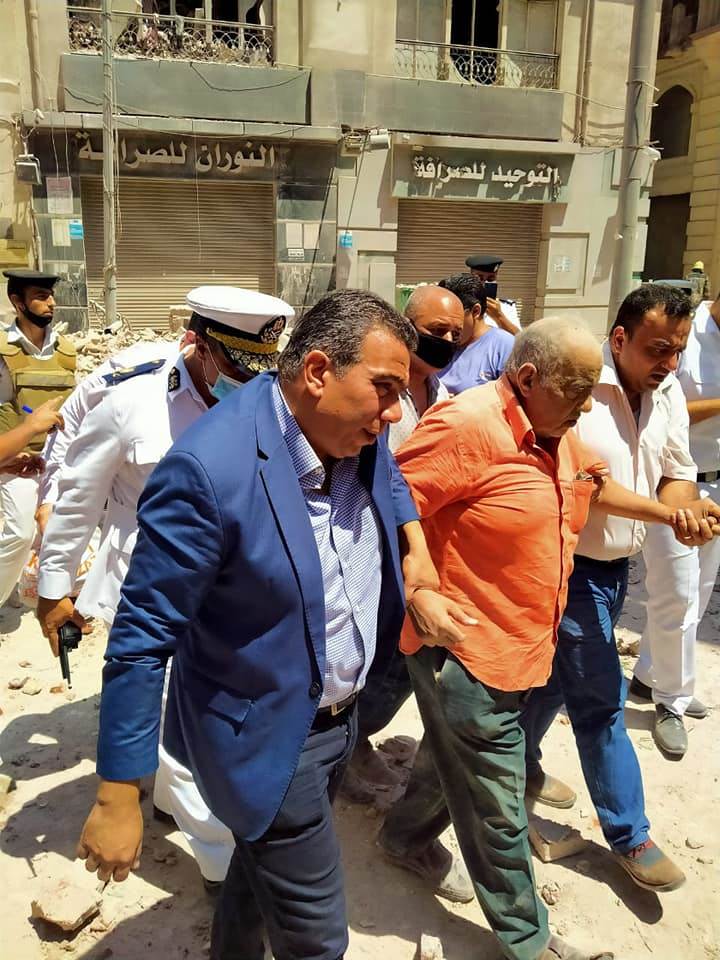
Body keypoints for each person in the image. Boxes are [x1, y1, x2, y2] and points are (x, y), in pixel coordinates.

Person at [73, 289, 465, 960]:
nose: (396, 412)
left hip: (340, 720)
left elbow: (393, 480)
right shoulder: (208, 472)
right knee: (318, 939)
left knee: (255, 880)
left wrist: (418, 558)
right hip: (270, 734)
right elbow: (140, 641)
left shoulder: (349, 429)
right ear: (316, 371)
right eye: (384, 389)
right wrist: (118, 794)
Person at [377, 315, 706, 960]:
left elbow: (594, 486)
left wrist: (671, 515)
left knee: (450, 762)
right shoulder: (467, 426)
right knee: (500, 810)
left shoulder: (555, 430)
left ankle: (402, 839)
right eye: (577, 390)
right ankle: (530, 942)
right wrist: (419, 590)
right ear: (527, 378)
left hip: (526, 644)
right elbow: (388, 502)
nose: (588, 405)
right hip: (467, 651)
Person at [37, 287, 296, 890]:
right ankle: (222, 870)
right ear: (199, 345)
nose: (246, 379)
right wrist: (54, 589)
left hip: (232, 592)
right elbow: (77, 502)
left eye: (258, 366)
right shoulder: (131, 405)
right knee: (182, 722)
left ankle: (167, 803)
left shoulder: (268, 400)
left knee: (206, 712)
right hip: (148, 587)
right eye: (235, 365)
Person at [522, 285, 720, 894]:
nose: (669, 362)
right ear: (619, 339)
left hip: (614, 570)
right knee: (602, 700)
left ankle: (513, 768)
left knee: (555, 683)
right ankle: (630, 834)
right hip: (568, 567)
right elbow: (589, 484)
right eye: (657, 349)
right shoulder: (582, 387)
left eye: (677, 350)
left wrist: (688, 508)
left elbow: (677, 473)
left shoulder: (666, 394)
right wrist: (669, 516)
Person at [344, 284, 471, 810]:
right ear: (407, 325)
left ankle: (354, 739)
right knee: (366, 658)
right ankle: (343, 748)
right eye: (436, 330)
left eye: (455, 333)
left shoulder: (447, 399)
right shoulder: (375, 394)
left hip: (421, 556)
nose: (447, 341)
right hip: (369, 548)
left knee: (400, 664)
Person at [631, 289, 720, 755]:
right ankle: (672, 702)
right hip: (671, 484)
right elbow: (666, 402)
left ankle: (651, 676)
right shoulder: (682, 334)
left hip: (710, 483)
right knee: (677, 593)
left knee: (698, 591)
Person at [34, 337, 184, 537]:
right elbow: (72, 417)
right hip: (128, 526)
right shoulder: (144, 364)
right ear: (194, 339)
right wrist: (51, 496)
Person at [0, 269, 77, 606]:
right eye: (41, 296)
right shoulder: (3, 352)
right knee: (20, 533)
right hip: (15, 461)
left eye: (51, 296)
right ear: (18, 302)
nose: (51, 303)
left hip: (57, 461)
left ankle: (51, 600)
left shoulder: (66, 351)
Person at [438, 272, 514, 394]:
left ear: (475, 311)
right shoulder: (438, 341)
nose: (446, 329)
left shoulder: (504, 346)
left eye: (453, 317)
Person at [465, 253, 521, 333]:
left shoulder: (507, 308)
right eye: (479, 278)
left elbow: (520, 338)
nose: (484, 283)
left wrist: (499, 316)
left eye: (490, 279)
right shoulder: (459, 304)